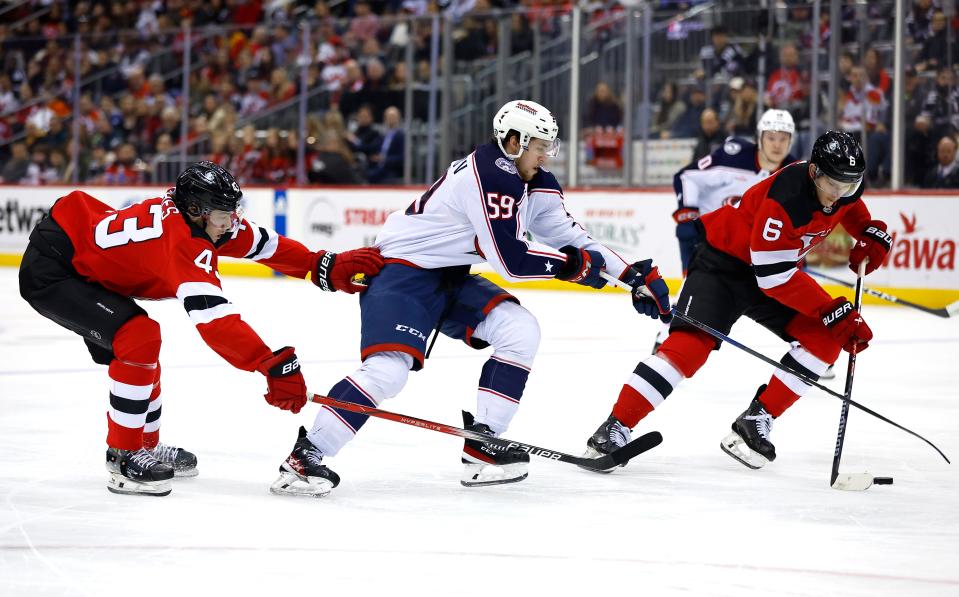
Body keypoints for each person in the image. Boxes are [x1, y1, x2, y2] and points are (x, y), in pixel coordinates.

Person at [269, 100, 672, 497]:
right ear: (513, 141)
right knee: (387, 371)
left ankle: (483, 443)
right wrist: (572, 268)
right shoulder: (490, 175)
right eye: (539, 145)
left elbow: (572, 237)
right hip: (403, 272)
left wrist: (631, 275)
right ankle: (307, 455)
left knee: (519, 328)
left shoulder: (534, 180)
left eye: (549, 145)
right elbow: (511, 261)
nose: (546, 154)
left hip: (448, 275)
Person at [18, 161, 384, 497]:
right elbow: (216, 322)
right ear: (196, 211)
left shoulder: (201, 219)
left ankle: (143, 444)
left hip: (82, 254)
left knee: (138, 343)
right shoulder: (182, 244)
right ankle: (124, 454)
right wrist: (271, 364)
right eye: (225, 215)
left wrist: (319, 264)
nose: (232, 222)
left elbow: (262, 243)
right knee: (138, 337)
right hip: (54, 270)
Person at [583, 131, 892, 471]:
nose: (840, 194)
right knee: (689, 348)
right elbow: (773, 278)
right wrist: (830, 309)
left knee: (823, 338)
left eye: (849, 185)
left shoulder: (843, 186)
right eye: (834, 184)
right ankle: (613, 428)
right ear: (815, 172)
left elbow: (850, 206)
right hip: (724, 265)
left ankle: (755, 420)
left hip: (772, 272)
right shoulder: (786, 199)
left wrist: (867, 231)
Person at [652, 109, 797, 354]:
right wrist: (688, 215)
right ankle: (666, 340)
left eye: (783, 138)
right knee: (696, 291)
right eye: (771, 137)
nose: (777, 145)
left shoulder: (794, 173)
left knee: (779, 294)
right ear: (759, 137)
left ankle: (806, 345)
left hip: (746, 250)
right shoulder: (734, 157)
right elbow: (687, 177)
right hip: (709, 240)